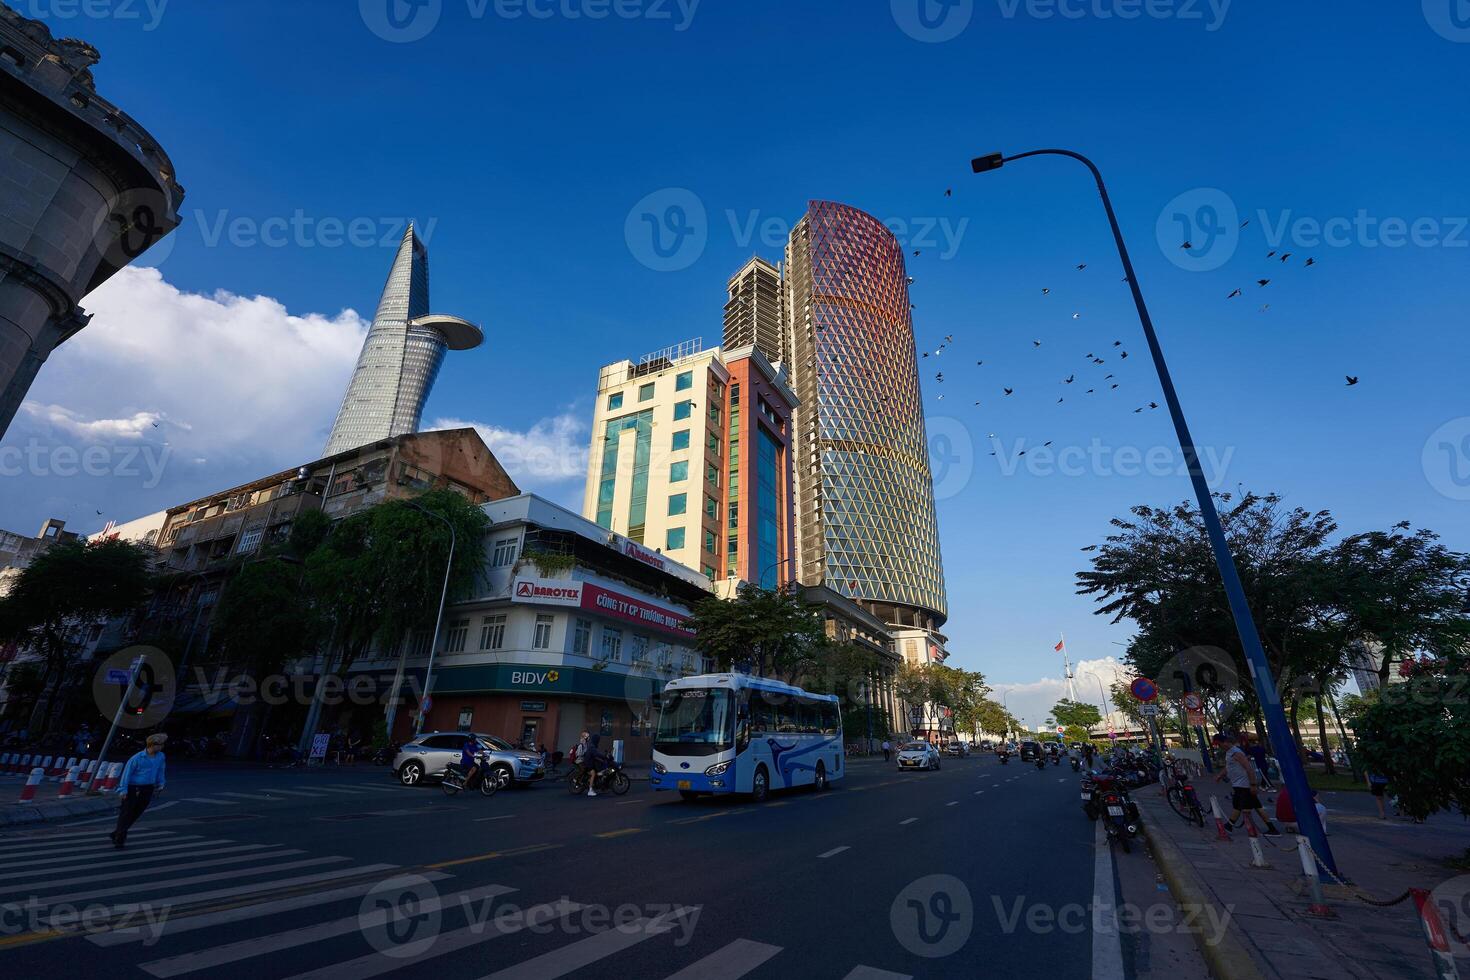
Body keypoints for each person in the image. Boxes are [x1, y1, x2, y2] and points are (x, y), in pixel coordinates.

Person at [1212, 732, 1281, 836]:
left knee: (1239, 806)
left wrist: (1253, 784)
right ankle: (1272, 828)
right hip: (1239, 784)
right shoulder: (1230, 753)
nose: (1219, 747)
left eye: (1219, 744)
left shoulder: (1236, 753)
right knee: (1256, 807)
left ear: (1225, 742)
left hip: (1243, 784)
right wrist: (1220, 775)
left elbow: (1249, 768)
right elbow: (1229, 767)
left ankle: (1230, 825)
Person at [111, 733, 168, 848]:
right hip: (134, 788)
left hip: (148, 788)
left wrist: (161, 783)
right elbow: (126, 774)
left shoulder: (161, 756)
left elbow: (160, 770)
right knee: (126, 813)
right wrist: (123, 790)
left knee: (137, 813)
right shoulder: (137, 758)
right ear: (152, 745)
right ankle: (120, 838)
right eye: (160, 745)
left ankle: (117, 833)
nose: (162, 747)